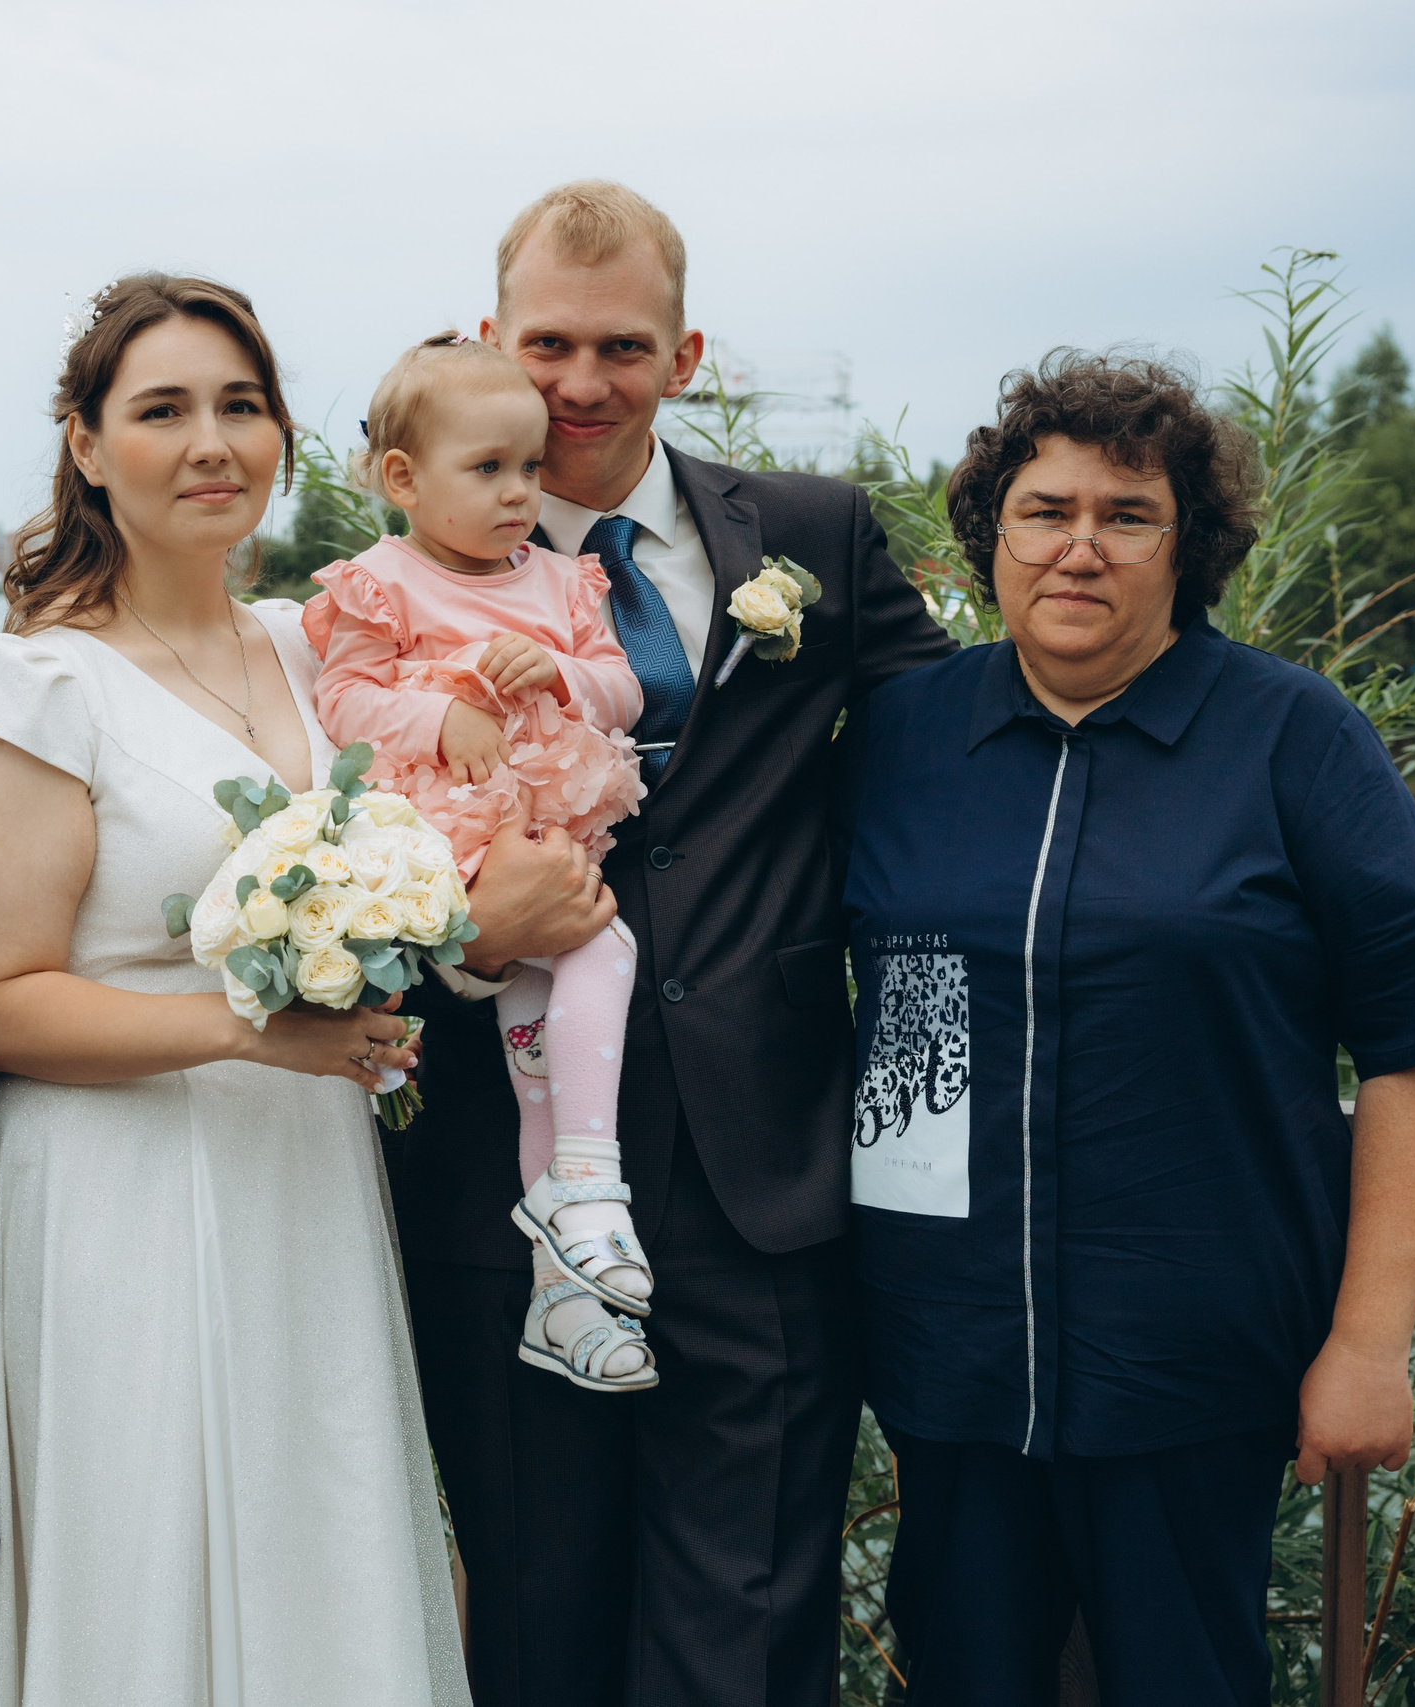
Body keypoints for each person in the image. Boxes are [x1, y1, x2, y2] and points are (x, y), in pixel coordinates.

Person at [839, 351, 1415, 1704]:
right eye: (1045, 511)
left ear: (1187, 544)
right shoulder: (904, 733)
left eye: (1127, 514)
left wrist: (1369, 1341)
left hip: (1193, 1366)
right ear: (992, 539)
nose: (1079, 547)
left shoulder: (1291, 735)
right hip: (945, 1361)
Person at [386, 180, 958, 1707]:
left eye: (622, 347)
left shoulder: (814, 534)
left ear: (686, 354)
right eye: (549, 342)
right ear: (494, 336)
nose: (581, 384)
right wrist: (455, 933)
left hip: (758, 1170)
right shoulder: (389, 574)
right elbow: (335, 834)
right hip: (498, 1183)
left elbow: (959, 744)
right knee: (535, 1606)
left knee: (751, 1620)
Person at [0, 272, 469, 1707]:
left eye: (242, 404)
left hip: (305, 1172)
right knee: (143, 1555)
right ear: (89, 445)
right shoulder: (32, 680)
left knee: (323, 1534)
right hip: (117, 1189)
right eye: (162, 409)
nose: (212, 440)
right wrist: (249, 1033)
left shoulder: (315, 646)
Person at [304, 332, 656, 1391]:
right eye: (488, 470)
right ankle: (588, 1183)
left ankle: (561, 1293)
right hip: (447, 838)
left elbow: (623, 691)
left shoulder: (557, 582)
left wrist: (556, 669)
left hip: (548, 824)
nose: (519, 493)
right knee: (607, 949)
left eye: (530, 468)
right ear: (404, 480)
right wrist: (435, 713)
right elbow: (344, 700)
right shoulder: (380, 584)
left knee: (533, 1057)